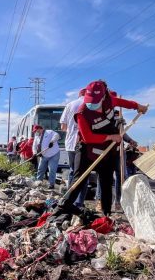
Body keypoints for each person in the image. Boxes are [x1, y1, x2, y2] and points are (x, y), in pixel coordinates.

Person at [60, 80, 148, 216]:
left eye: (95, 100)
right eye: (89, 100)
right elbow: (88, 137)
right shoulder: (82, 113)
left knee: (106, 182)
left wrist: (138, 106)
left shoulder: (109, 101)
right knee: (79, 179)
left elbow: (125, 103)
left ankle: (106, 214)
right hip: (86, 149)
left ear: (103, 97)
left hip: (107, 151)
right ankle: (63, 207)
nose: (91, 104)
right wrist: (111, 137)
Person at [60, 88, 87, 206]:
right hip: (85, 142)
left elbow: (63, 127)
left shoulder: (70, 105)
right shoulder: (90, 104)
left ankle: (68, 200)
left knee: (72, 171)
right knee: (83, 173)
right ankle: (79, 202)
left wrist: (72, 129)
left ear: (79, 94)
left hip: (70, 143)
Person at [32, 125, 61, 189]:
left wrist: (52, 141)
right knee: (40, 169)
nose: (35, 132)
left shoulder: (49, 132)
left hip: (54, 154)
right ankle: (38, 182)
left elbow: (57, 135)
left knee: (52, 169)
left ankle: (51, 184)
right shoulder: (37, 137)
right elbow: (34, 146)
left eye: (36, 131)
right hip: (44, 155)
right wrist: (34, 153)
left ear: (39, 129)